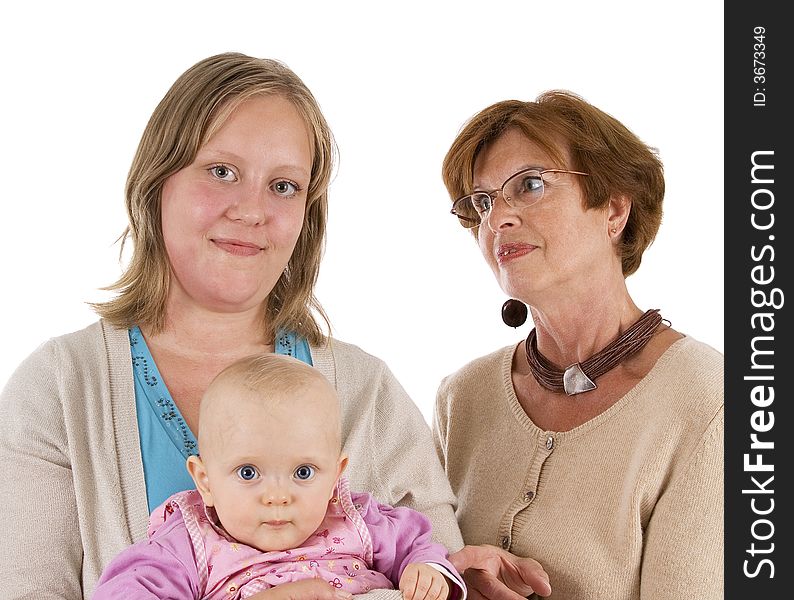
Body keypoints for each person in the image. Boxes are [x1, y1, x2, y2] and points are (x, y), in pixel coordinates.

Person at [0, 51, 549, 600]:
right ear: (157, 181)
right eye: (222, 172)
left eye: (283, 186)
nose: (251, 210)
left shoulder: (368, 394)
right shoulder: (60, 390)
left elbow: (431, 574)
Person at [435, 91, 723, 599]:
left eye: (530, 185)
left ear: (614, 209)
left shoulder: (708, 402)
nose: (496, 218)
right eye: (483, 201)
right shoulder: (464, 397)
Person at [92, 354, 465, 600]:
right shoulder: (190, 543)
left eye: (303, 473)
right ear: (205, 480)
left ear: (336, 475)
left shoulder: (355, 521)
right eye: (248, 472)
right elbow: (126, 590)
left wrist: (428, 568)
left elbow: (417, 541)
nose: (277, 496)